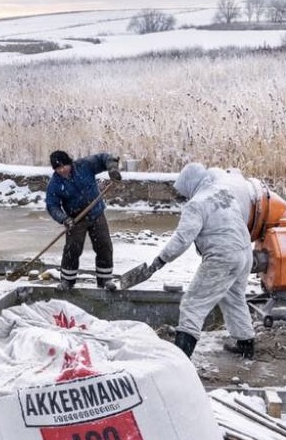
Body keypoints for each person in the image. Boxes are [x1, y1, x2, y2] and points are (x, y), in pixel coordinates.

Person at [138, 162, 256, 359]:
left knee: (192, 304)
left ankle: (181, 358)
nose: (183, 196)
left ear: (190, 183)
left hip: (222, 257)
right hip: (244, 253)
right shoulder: (224, 192)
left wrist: (161, 260)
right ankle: (246, 345)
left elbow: (183, 239)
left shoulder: (196, 204)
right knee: (234, 298)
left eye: (183, 191)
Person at [45, 150, 122, 291]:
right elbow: (52, 205)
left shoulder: (84, 166)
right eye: (58, 168)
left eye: (64, 166)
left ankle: (105, 280)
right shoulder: (54, 183)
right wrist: (64, 219)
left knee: (104, 245)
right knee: (72, 249)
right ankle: (67, 281)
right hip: (75, 219)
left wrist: (112, 168)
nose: (62, 170)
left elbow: (104, 157)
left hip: (96, 212)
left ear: (70, 163)